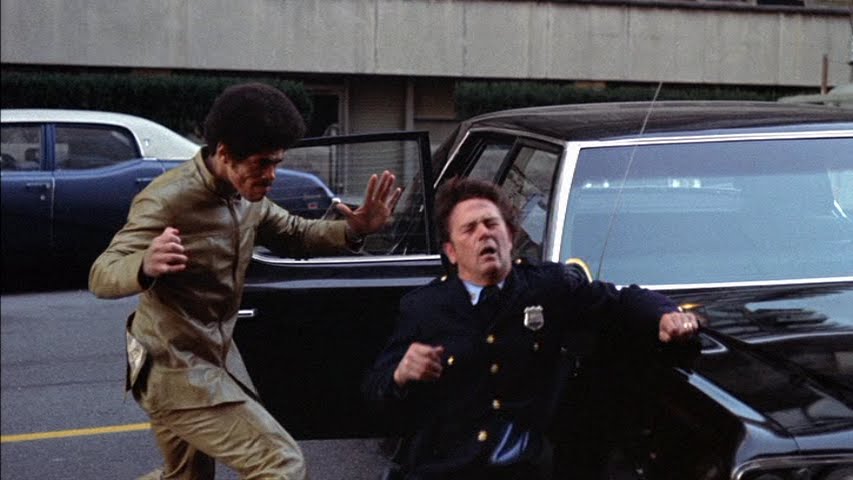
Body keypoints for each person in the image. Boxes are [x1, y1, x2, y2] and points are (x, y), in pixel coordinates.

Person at [89, 82, 401, 480]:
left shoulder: (245, 197)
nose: (271, 175)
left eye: (277, 162)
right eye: (262, 163)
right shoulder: (168, 199)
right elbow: (102, 273)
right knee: (281, 464)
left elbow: (294, 232)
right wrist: (144, 264)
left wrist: (354, 230)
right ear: (224, 153)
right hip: (173, 369)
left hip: (210, 361)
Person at [362, 177, 699, 480]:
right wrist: (400, 374)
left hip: (526, 467)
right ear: (451, 252)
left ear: (510, 237)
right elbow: (376, 393)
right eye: (469, 229)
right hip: (450, 468)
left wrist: (665, 315)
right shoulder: (424, 307)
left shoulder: (547, 287)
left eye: (491, 224)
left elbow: (621, 300)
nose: (484, 234)